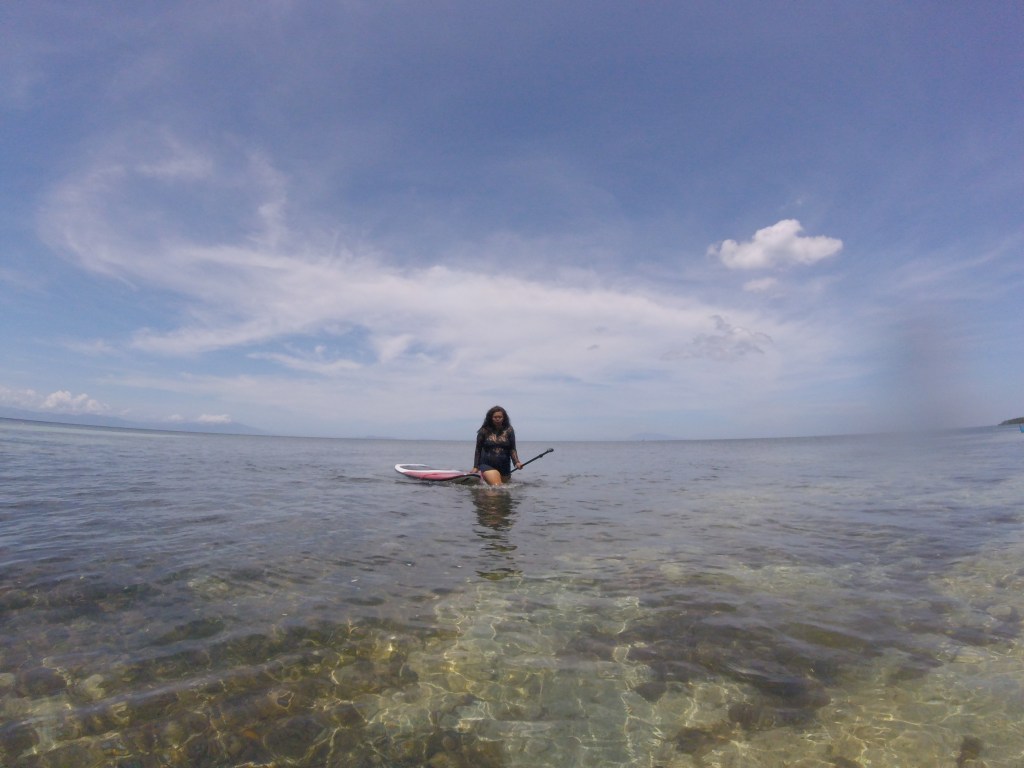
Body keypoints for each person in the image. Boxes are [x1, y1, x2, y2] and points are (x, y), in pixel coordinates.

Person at [471, 405, 523, 485]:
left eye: (500, 417)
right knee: (497, 487)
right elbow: (478, 449)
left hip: (505, 466)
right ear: (490, 418)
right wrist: (475, 467)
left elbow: (512, 448)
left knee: (501, 491)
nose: (498, 419)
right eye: (495, 417)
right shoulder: (484, 431)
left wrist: (517, 462)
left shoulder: (509, 430)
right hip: (487, 465)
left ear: (504, 418)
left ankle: (483, 495)